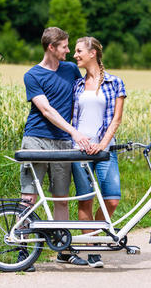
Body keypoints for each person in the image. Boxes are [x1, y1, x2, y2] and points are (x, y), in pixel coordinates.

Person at [18, 27, 91, 271]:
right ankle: (22, 250)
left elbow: (92, 78)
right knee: (29, 197)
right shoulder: (33, 75)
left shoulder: (70, 70)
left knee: (62, 198)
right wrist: (74, 132)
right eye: (64, 47)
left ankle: (63, 250)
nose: (69, 51)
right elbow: (46, 110)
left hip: (62, 144)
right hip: (36, 140)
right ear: (51, 47)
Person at [71, 36, 127, 268]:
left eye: (79, 51)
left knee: (112, 200)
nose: (75, 55)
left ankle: (97, 237)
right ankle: (93, 249)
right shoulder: (77, 85)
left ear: (93, 53)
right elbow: (73, 120)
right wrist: (79, 141)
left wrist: (102, 144)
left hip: (105, 150)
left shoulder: (115, 83)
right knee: (86, 201)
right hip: (79, 151)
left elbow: (117, 119)